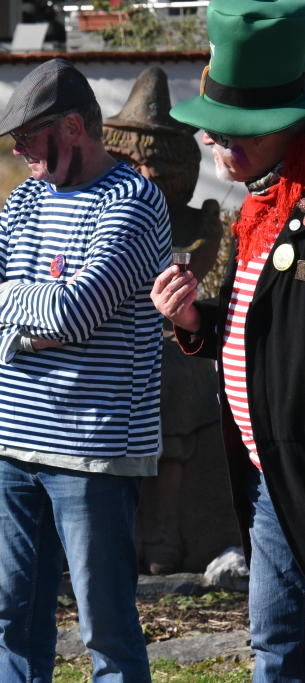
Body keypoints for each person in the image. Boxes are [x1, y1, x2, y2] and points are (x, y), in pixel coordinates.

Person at [0, 58, 171, 682]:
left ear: (74, 126)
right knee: (10, 619)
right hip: (10, 444)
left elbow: (74, 313)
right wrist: (24, 327)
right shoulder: (25, 198)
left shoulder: (135, 201)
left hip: (94, 453)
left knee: (107, 630)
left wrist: (6, 300)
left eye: (29, 137)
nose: (20, 153)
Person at [152, 0, 305, 678]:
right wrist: (197, 324)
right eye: (217, 131)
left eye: (240, 130)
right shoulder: (262, 203)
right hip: (270, 475)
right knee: (276, 647)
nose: (220, 144)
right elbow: (271, 337)